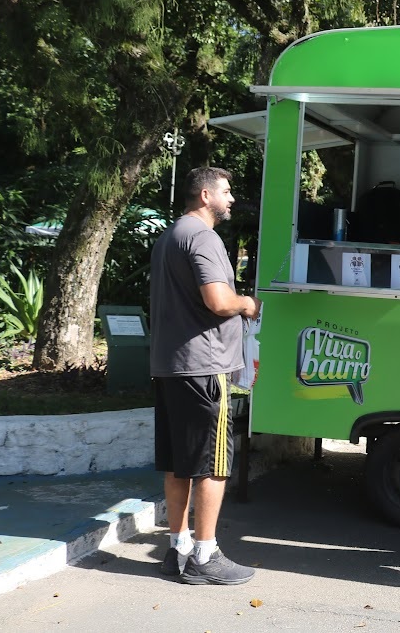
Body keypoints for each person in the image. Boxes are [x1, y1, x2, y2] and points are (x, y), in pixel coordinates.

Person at [150, 167, 262, 585]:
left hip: (171, 366)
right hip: (204, 367)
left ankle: (177, 549)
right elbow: (217, 300)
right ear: (204, 195)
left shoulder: (170, 236)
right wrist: (247, 303)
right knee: (213, 465)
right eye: (226, 192)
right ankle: (204, 555)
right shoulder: (203, 237)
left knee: (178, 463)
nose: (231, 199)